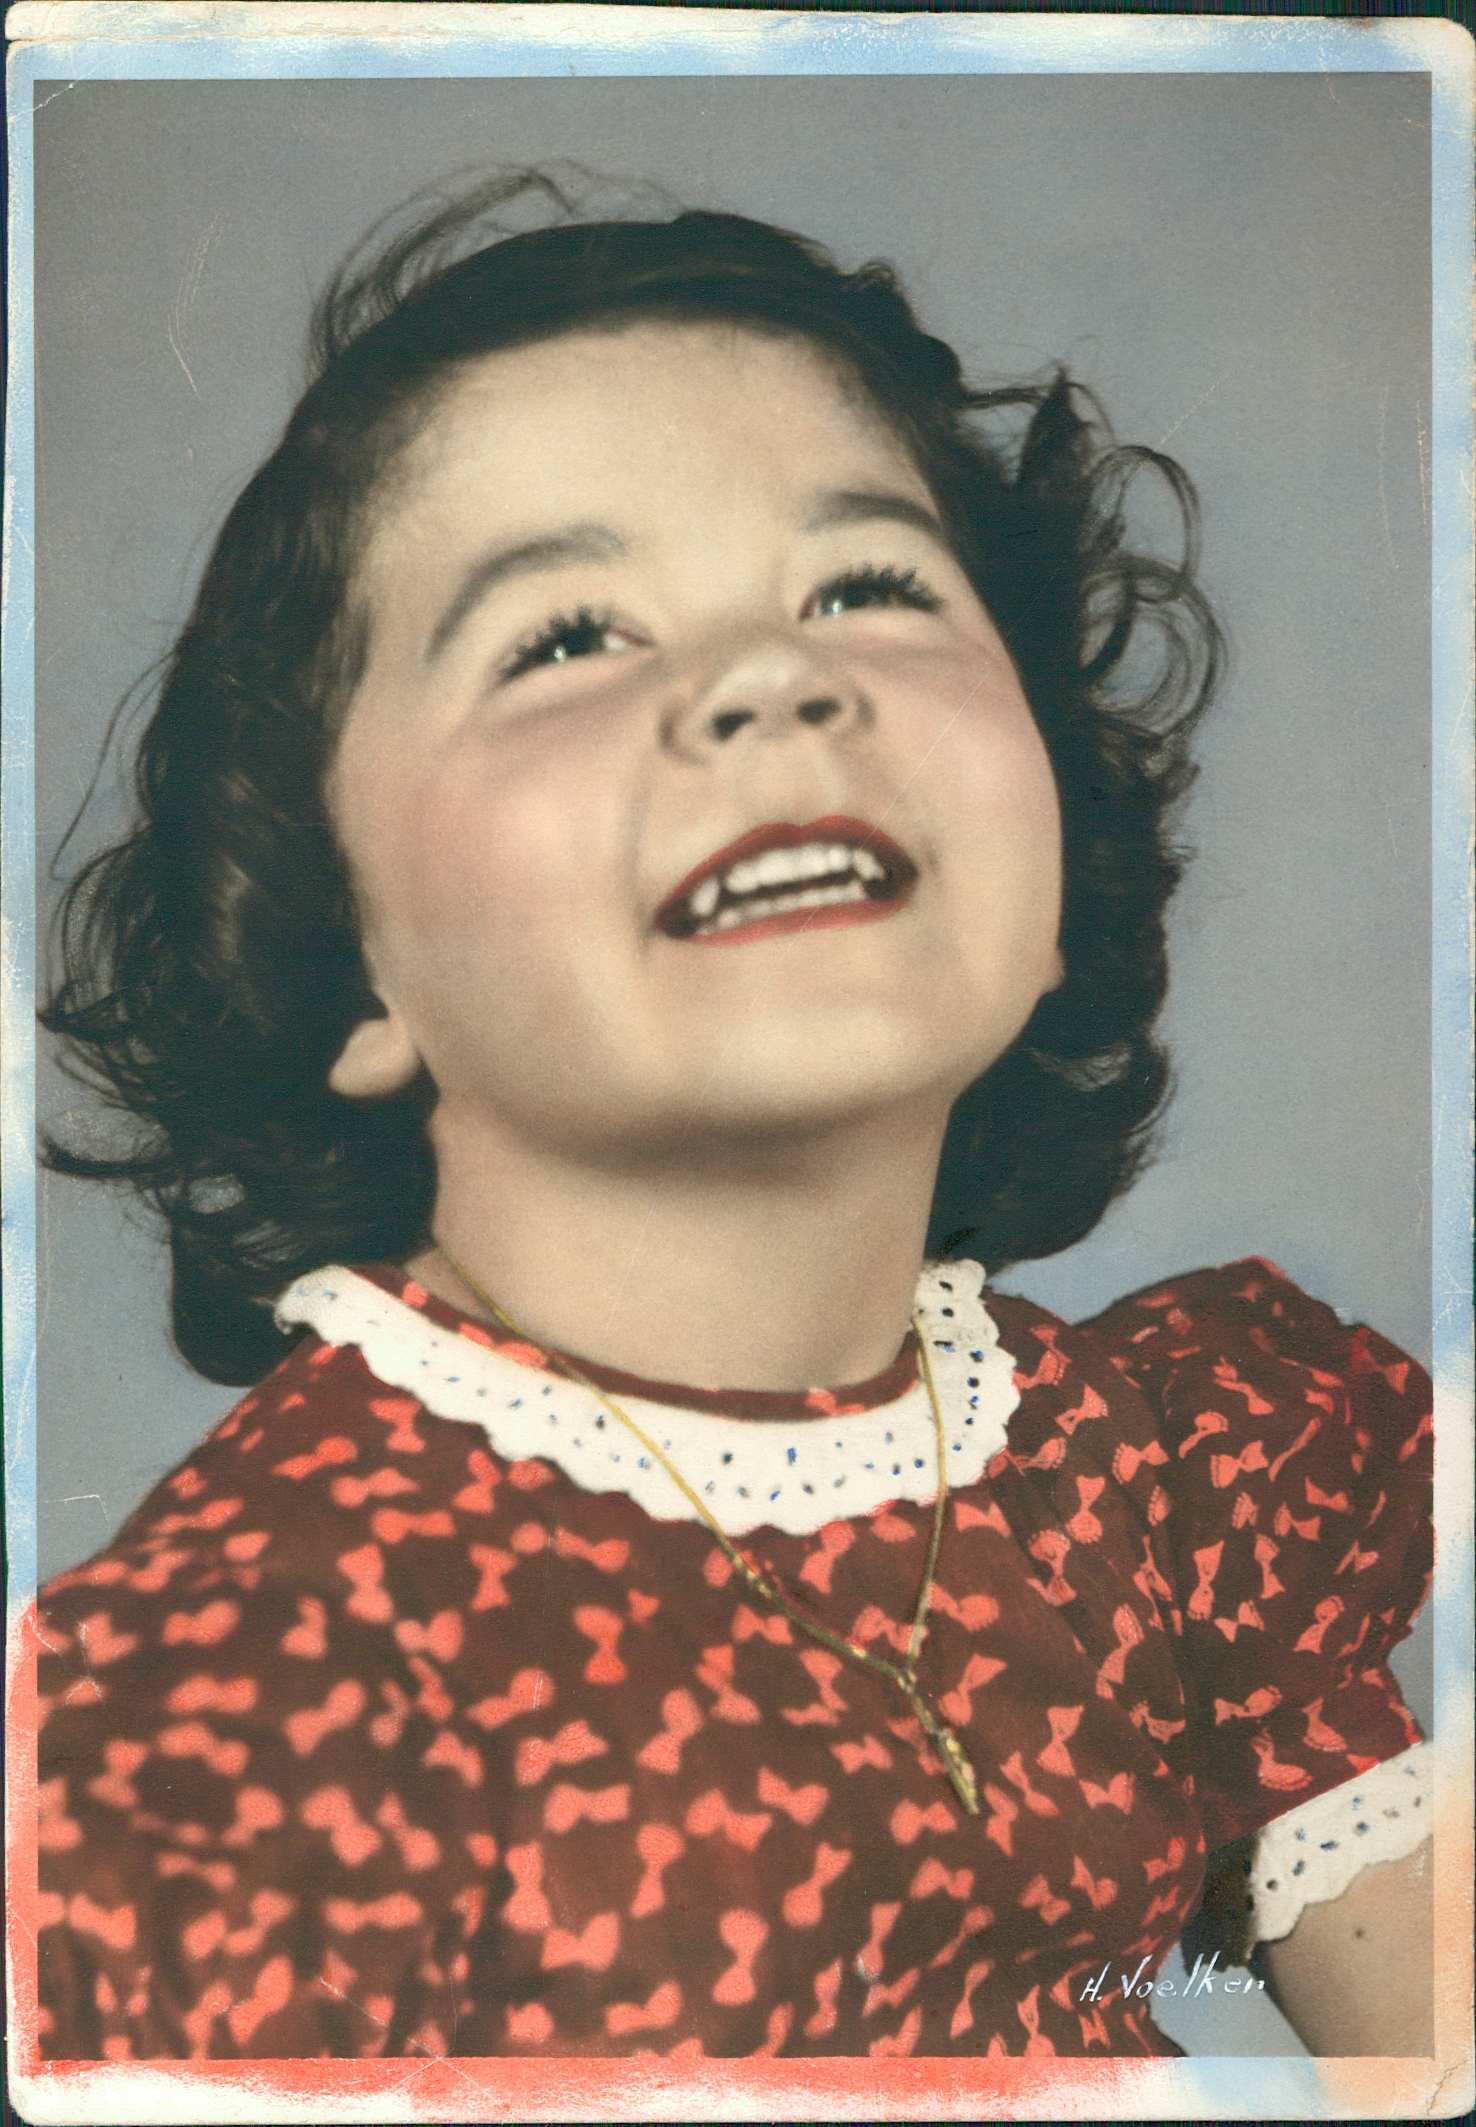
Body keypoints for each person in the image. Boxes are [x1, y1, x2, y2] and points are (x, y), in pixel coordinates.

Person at [32, 174, 1432, 2061]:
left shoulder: (1158, 1482)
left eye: (870, 589)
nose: (778, 676)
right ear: (344, 965)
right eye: (565, 638)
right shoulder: (236, 1724)